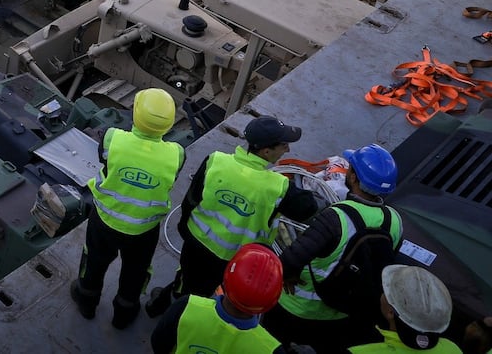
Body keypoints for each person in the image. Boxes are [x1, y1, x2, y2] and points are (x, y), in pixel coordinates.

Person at [147, 116, 316, 317]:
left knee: (186, 280)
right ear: (266, 151)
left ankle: (161, 305)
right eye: (284, 145)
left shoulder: (215, 161)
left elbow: (190, 201)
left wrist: (186, 231)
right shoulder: (278, 188)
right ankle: (179, 318)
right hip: (238, 258)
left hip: (197, 244)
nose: (287, 150)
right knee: (201, 293)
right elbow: (309, 207)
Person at [263, 144, 404, 354]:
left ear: (354, 178)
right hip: (344, 314)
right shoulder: (394, 220)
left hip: (299, 309)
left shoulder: (336, 217)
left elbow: (290, 260)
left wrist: (289, 275)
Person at [71, 88, 185, 329]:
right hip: (144, 229)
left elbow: (104, 158)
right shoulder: (176, 154)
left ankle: (86, 301)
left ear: (136, 114)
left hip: (105, 221)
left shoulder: (113, 138)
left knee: (94, 262)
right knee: (136, 272)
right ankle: (124, 313)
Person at [150, 243, 289, 354]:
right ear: (270, 302)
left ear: (225, 278)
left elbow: (158, 344)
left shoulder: (186, 306)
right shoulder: (270, 349)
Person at [348, 265, 462, 353]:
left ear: (391, 312)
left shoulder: (359, 351)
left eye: (386, 291)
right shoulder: (453, 349)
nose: (382, 293)